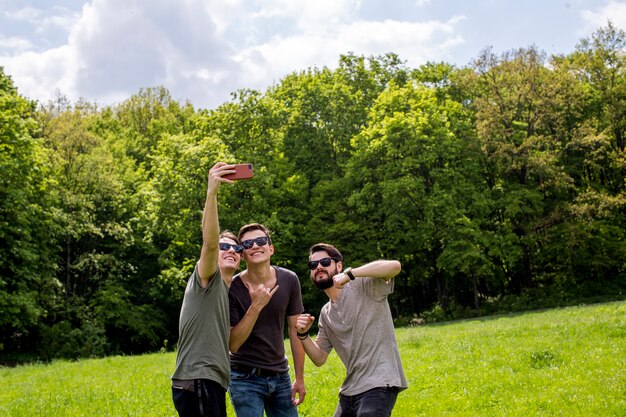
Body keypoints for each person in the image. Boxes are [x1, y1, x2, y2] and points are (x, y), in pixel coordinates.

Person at [296, 243, 407, 417]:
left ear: (338, 265)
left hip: (379, 382)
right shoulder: (326, 313)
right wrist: (302, 335)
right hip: (349, 391)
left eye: (325, 262)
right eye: (313, 265)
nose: (318, 267)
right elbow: (319, 358)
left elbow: (395, 266)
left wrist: (351, 274)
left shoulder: (364, 285)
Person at [171, 162, 246, 417]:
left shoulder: (227, 292)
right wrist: (211, 192)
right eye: (226, 247)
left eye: (237, 249)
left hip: (209, 382)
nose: (231, 252)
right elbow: (210, 243)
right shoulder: (207, 278)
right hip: (199, 379)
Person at [228, 223, 306, 417]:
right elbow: (233, 344)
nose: (255, 245)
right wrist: (256, 306)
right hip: (244, 377)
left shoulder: (289, 279)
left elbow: (295, 330)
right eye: (247, 244)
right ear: (242, 254)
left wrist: (299, 378)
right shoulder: (233, 287)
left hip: (281, 376)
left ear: (270, 248)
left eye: (261, 241)